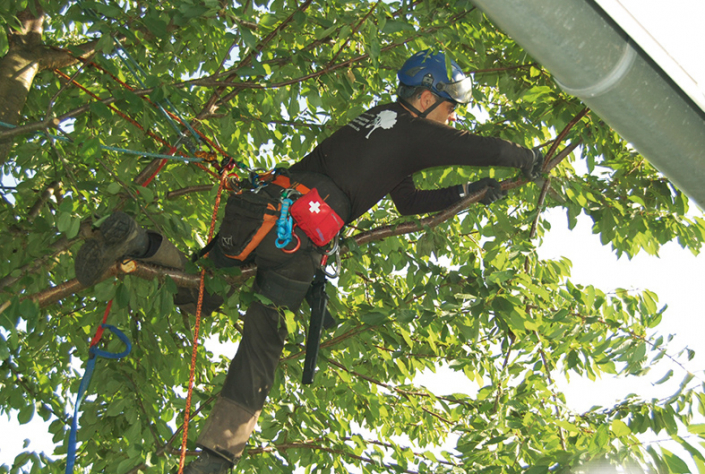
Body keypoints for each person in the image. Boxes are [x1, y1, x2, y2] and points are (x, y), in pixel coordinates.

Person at [74, 49, 543, 473]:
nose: (452, 116)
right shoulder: (416, 131)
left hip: (259, 209)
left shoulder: (374, 121)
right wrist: (526, 158)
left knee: (201, 290)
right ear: (424, 98)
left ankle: (139, 243)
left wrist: (469, 193)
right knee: (263, 338)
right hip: (295, 236)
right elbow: (484, 148)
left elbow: (407, 202)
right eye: (449, 106)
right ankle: (216, 458)